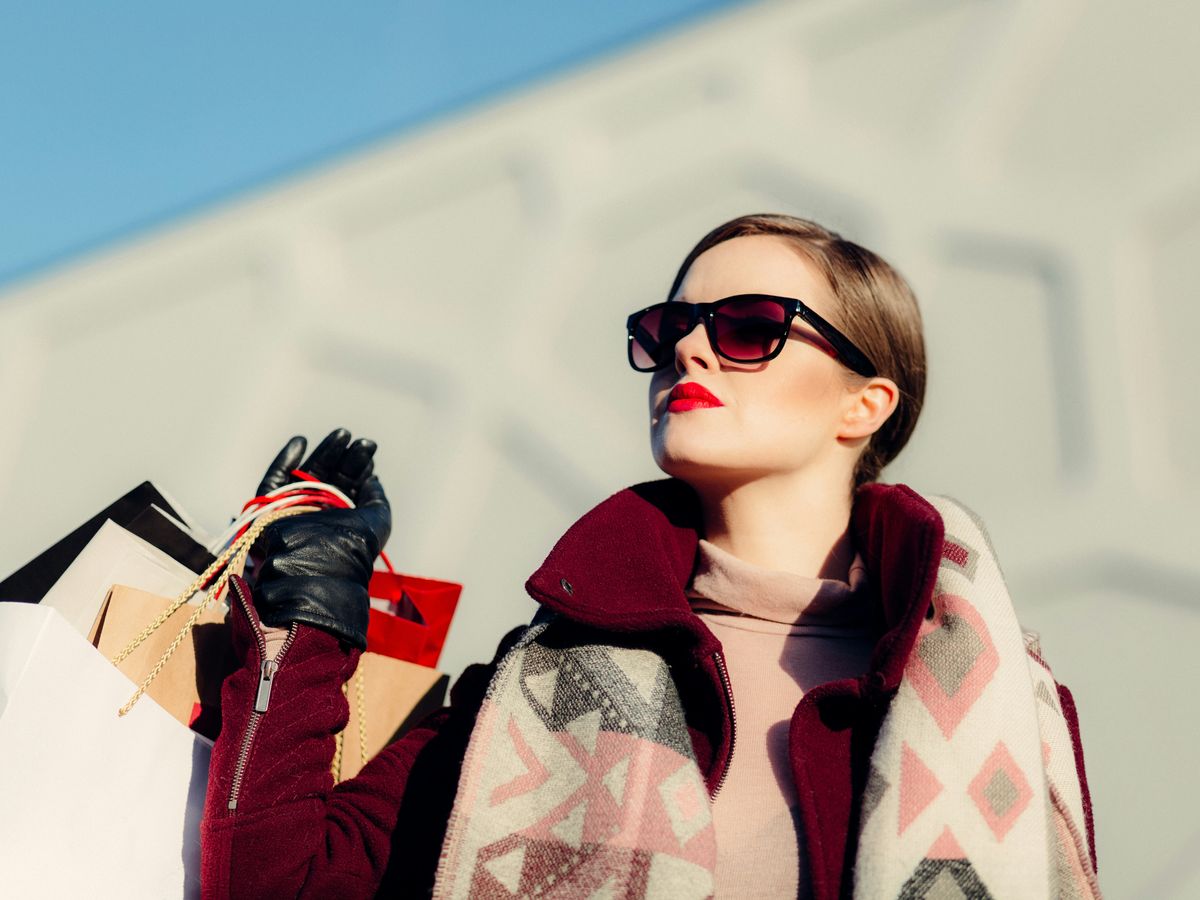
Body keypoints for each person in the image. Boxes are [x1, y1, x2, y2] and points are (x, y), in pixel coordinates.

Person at [200, 214, 1099, 899]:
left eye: (750, 327)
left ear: (863, 405)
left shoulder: (994, 703)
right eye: (672, 327)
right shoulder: (535, 683)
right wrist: (307, 619)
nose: (691, 348)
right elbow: (278, 880)